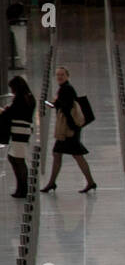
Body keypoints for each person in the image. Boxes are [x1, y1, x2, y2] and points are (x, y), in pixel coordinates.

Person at [41, 65, 95, 193]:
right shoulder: (64, 89)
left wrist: (72, 128)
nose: (59, 77)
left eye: (62, 75)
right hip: (70, 128)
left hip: (69, 129)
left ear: (67, 76)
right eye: (58, 75)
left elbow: (66, 108)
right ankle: (52, 182)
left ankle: (90, 182)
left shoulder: (66, 89)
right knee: (61, 154)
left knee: (74, 155)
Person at [0, 75, 35, 197]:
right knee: (13, 158)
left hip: (19, 131)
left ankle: (23, 188)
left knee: (19, 159)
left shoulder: (21, 99)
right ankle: (21, 187)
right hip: (22, 130)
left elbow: (10, 113)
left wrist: (3, 111)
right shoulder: (28, 97)